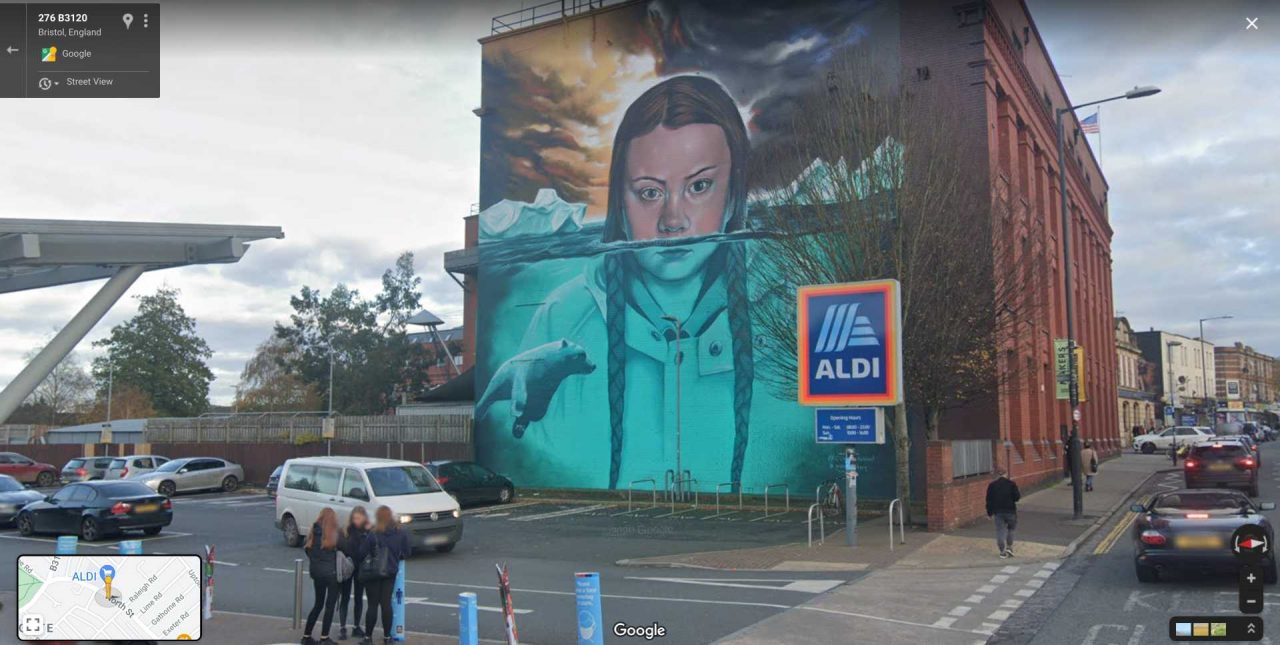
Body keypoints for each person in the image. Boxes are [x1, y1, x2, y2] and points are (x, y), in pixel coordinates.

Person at [477, 75, 758, 491]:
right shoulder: (562, 317)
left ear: (734, 193)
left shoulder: (789, 312)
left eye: (699, 186)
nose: (673, 219)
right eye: (649, 193)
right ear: (619, 204)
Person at [357, 505, 412, 645]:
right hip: (390, 572)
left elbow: (361, 553)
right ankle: (387, 637)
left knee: (372, 605)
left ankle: (368, 638)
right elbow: (407, 552)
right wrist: (396, 557)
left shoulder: (373, 533)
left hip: (373, 573)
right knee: (386, 604)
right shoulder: (400, 532)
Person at [302, 507, 346, 645]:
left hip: (317, 573)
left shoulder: (313, 532)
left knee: (318, 604)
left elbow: (307, 550)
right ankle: (324, 637)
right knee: (329, 606)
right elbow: (346, 548)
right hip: (331, 574)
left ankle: (306, 636)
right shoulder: (335, 533)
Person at [337, 506, 370, 641]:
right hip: (348, 566)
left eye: (359, 518)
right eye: (355, 518)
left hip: (360, 568)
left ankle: (356, 626)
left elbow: (369, 548)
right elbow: (340, 547)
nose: (357, 520)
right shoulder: (346, 530)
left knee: (358, 598)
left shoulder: (367, 532)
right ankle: (342, 627)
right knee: (344, 596)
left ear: (364, 518)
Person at [985, 468, 1021, 558]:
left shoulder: (992, 485)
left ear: (997, 475)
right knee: (1011, 529)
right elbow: (1017, 497)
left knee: (1000, 531)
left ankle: (1002, 551)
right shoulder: (1012, 484)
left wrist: (989, 513)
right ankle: (1009, 547)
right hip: (1010, 511)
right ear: (1006, 474)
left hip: (998, 512)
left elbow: (989, 500)